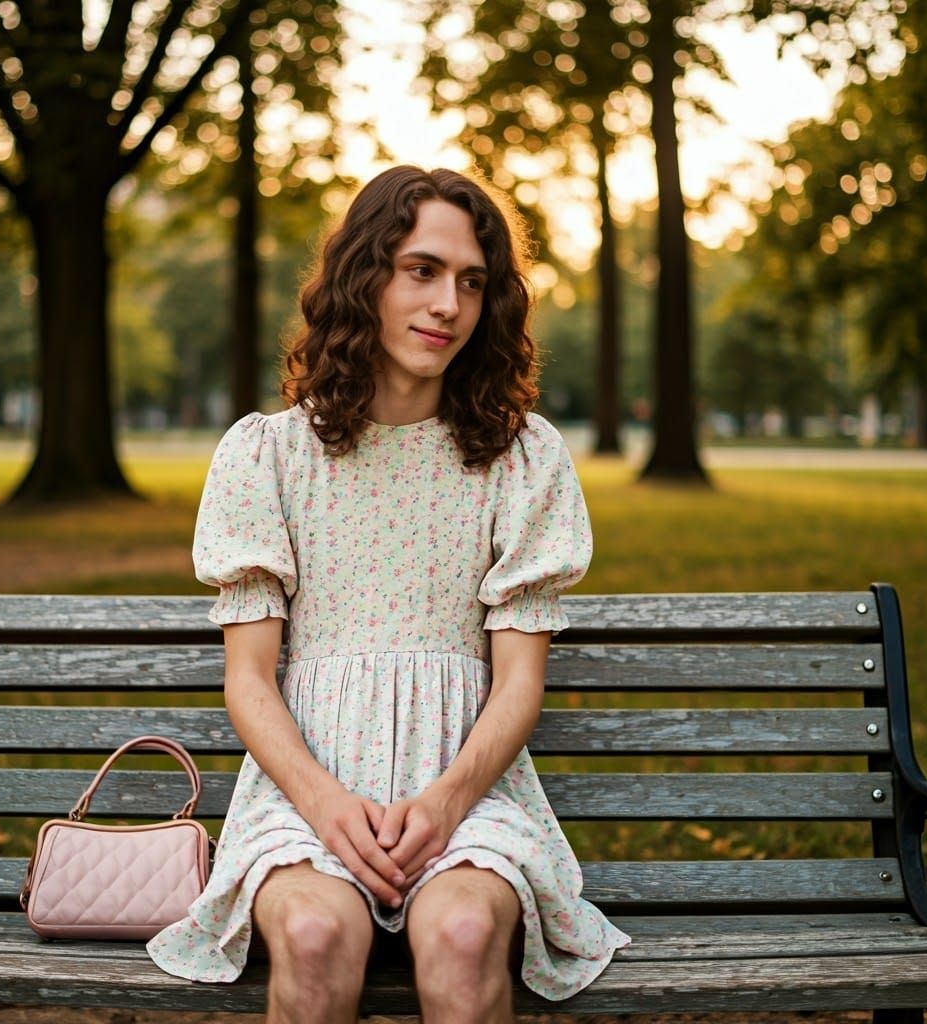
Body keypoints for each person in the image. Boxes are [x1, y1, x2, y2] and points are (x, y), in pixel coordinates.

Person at [147, 164, 630, 1022]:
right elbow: (250, 680)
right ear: (362, 276)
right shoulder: (268, 456)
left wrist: (444, 805)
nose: (448, 303)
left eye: (472, 282)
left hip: (471, 793)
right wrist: (327, 806)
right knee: (314, 934)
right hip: (307, 792)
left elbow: (519, 682)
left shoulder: (522, 460)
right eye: (421, 270)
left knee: (462, 937)